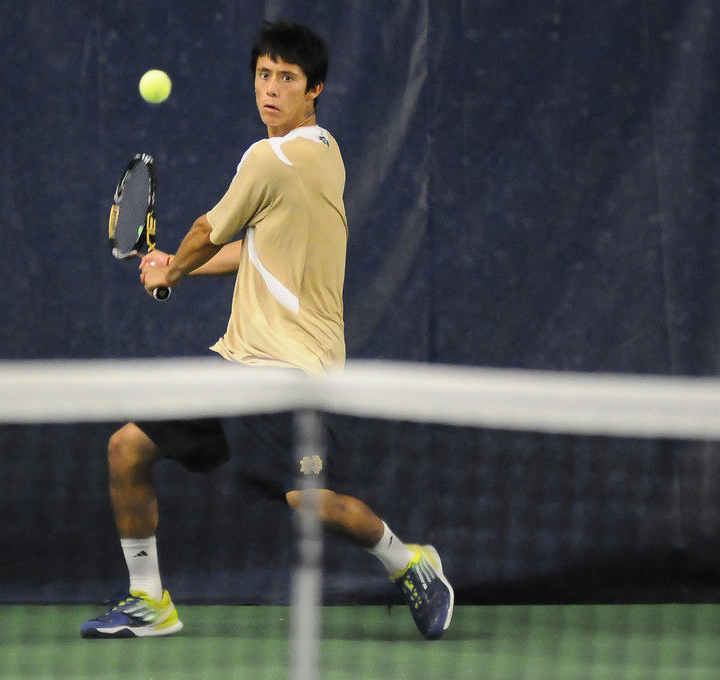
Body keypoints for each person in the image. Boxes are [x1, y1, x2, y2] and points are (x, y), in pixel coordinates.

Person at [81, 20, 453, 641]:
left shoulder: (273, 155)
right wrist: (176, 271)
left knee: (311, 501)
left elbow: (205, 231)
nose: (271, 89)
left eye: (287, 78)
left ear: (315, 91)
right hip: (238, 364)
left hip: (289, 374)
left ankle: (411, 563)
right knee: (128, 447)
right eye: (264, 75)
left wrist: (171, 265)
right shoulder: (323, 153)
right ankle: (149, 600)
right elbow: (251, 248)